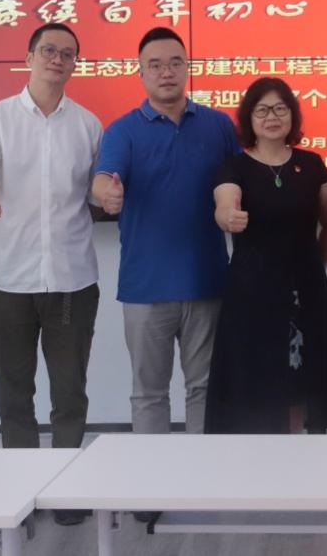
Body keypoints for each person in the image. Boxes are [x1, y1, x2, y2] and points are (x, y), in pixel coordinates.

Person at [0, 24, 101, 525]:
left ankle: (66, 495)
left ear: (75, 64)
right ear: (28, 57)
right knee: (14, 393)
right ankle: (21, 494)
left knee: (70, 393)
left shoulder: (88, 125)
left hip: (70, 278)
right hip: (6, 278)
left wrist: (109, 193)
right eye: (48, 50)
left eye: (68, 53)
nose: (57, 59)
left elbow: (97, 186)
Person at [91, 27, 240, 442]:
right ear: (140, 73)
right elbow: (103, 178)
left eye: (175, 63)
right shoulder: (123, 130)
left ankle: (203, 474)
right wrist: (107, 193)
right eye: (155, 65)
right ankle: (151, 478)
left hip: (207, 281)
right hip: (145, 287)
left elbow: (242, 179)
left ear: (187, 68)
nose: (166, 72)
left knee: (205, 389)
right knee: (149, 394)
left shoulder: (218, 125)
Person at [205, 77, 327, 434]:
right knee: (255, 381)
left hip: (304, 292)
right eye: (262, 110)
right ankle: (255, 459)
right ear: (249, 118)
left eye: (280, 109)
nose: (272, 117)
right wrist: (228, 217)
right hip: (251, 293)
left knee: (299, 382)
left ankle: (295, 453)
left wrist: (316, 267)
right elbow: (225, 203)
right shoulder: (234, 167)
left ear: (292, 116)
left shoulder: (312, 164)